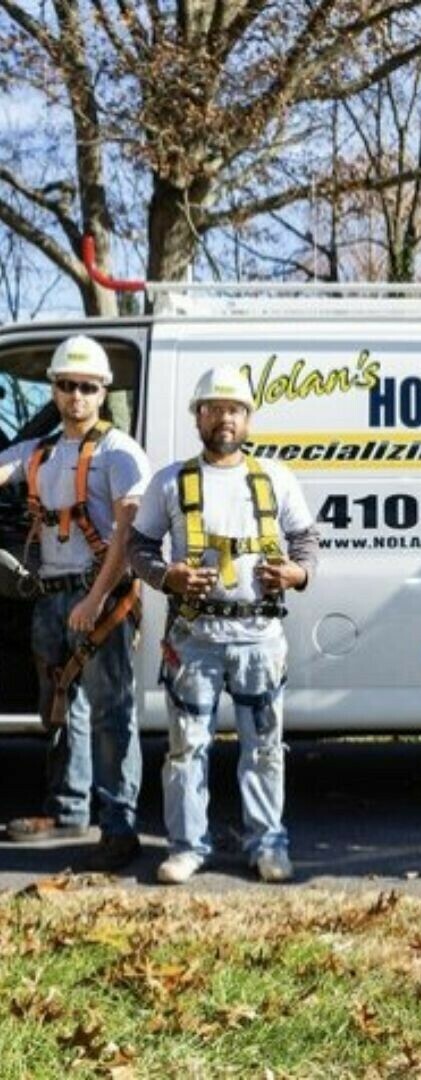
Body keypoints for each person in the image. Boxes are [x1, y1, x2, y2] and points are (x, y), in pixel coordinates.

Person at [128, 366, 318, 884]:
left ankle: (267, 844)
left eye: (233, 409)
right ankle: (188, 847)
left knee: (263, 745)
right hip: (195, 641)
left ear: (247, 418)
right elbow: (138, 548)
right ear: (198, 417)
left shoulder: (276, 478)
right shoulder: (170, 482)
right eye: (213, 409)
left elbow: (306, 542)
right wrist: (168, 576)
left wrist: (296, 573)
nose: (224, 418)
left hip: (260, 638)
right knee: (187, 747)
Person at [0, 335, 148, 871]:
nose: (76, 396)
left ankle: (119, 825)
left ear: (103, 391)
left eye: (87, 387)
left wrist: (95, 599)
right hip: (52, 599)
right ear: (54, 389)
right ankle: (67, 809)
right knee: (62, 706)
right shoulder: (38, 453)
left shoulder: (119, 453)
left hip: (101, 598)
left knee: (112, 713)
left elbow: (129, 537)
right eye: (67, 385)